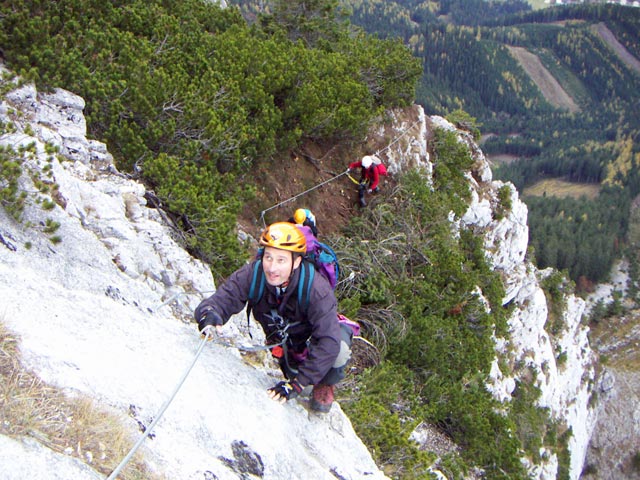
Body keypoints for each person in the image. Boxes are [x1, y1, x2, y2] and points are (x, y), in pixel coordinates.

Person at [194, 222, 351, 413]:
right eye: (268, 257)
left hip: (312, 339)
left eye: (281, 260)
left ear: (297, 262)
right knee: (296, 379)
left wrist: (297, 384)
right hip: (286, 343)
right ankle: (299, 371)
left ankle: (325, 384)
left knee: (339, 351)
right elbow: (225, 297)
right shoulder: (255, 273)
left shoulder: (317, 290)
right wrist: (209, 314)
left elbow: (328, 341)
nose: (272, 267)